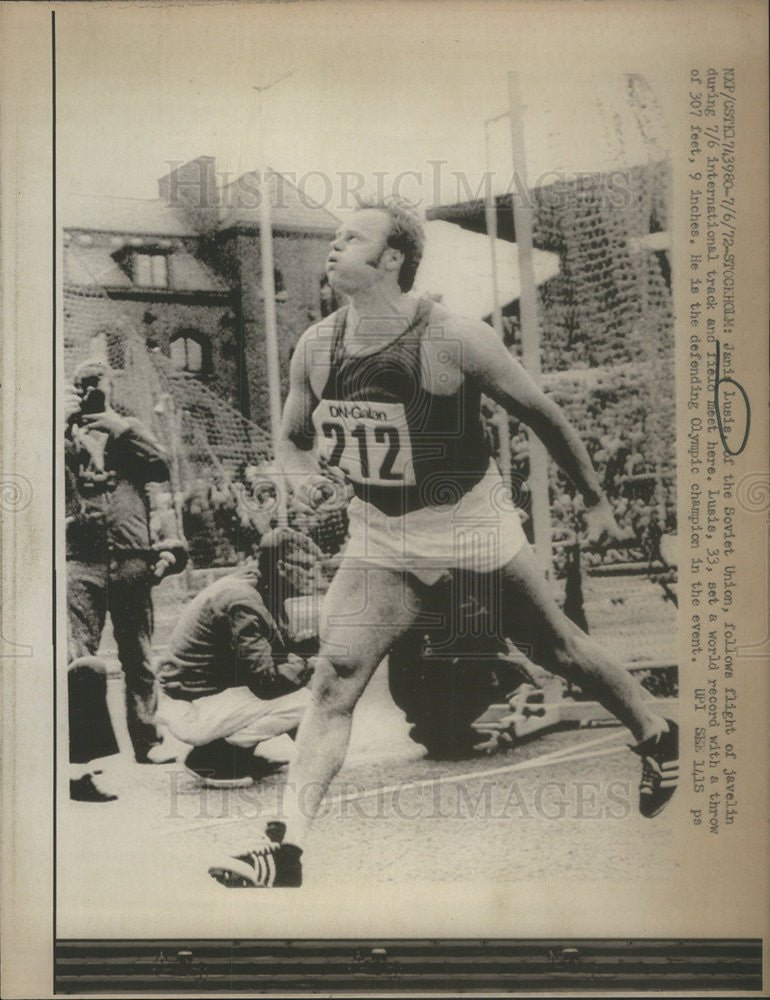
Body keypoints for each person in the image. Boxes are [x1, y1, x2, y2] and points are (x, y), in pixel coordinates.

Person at [208, 198, 678, 888]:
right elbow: (292, 437)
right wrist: (303, 476)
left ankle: (654, 730)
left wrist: (598, 500)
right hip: (382, 531)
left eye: (351, 239)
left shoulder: (454, 338)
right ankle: (286, 849)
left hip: (469, 520)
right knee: (335, 676)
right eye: (334, 237)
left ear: (391, 259)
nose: (334, 248)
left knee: (554, 647)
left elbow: (541, 413)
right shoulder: (316, 345)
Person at [65, 360, 187, 771]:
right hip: (82, 556)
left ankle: (148, 738)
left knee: (137, 653)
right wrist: (60, 427)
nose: (89, 394)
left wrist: (118, 426)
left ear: (109, 387)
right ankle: (82, 752)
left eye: (95, 385)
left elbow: (162, 464)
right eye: (81, 387)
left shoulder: (128, 430)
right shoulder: (64, 434)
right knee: (78, 653)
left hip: (131, 555)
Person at [154, 529, 321, 786]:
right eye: (307, 567)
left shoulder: (258, 588)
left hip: (195, 695)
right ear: (282, 566)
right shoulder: (242, 600)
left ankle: (237, 755)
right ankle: (214, 759)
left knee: (296, 680)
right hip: (189, 706)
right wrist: (309, 663)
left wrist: (309, 646)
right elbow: (266, 680)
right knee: (308, 699)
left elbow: (267, 655)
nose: (314, 576)